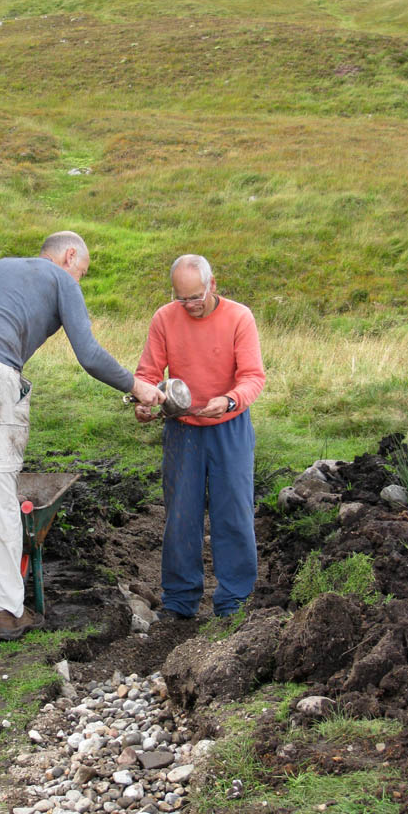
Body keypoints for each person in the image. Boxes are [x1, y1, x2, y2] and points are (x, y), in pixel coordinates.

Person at [0, 231, 164, 641]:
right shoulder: (60, 280)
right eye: (82, 272)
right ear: (69, 255)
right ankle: (8, 612)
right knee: (0, 499)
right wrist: (137, 387)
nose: (80, 281)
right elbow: (89, 355)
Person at [133, 254, 265, 619]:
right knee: (181, 515)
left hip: (230, 427)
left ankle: (234, 600)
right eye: (182, 298)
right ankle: (179, 601)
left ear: (213, 285)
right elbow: (147, 373)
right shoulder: (164, 318)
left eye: (196, 297)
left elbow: (254, 376)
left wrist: (229, 400)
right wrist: (143, 403)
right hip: (182, 429)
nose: (189, 305)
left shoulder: (240, 317)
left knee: (233, 512)